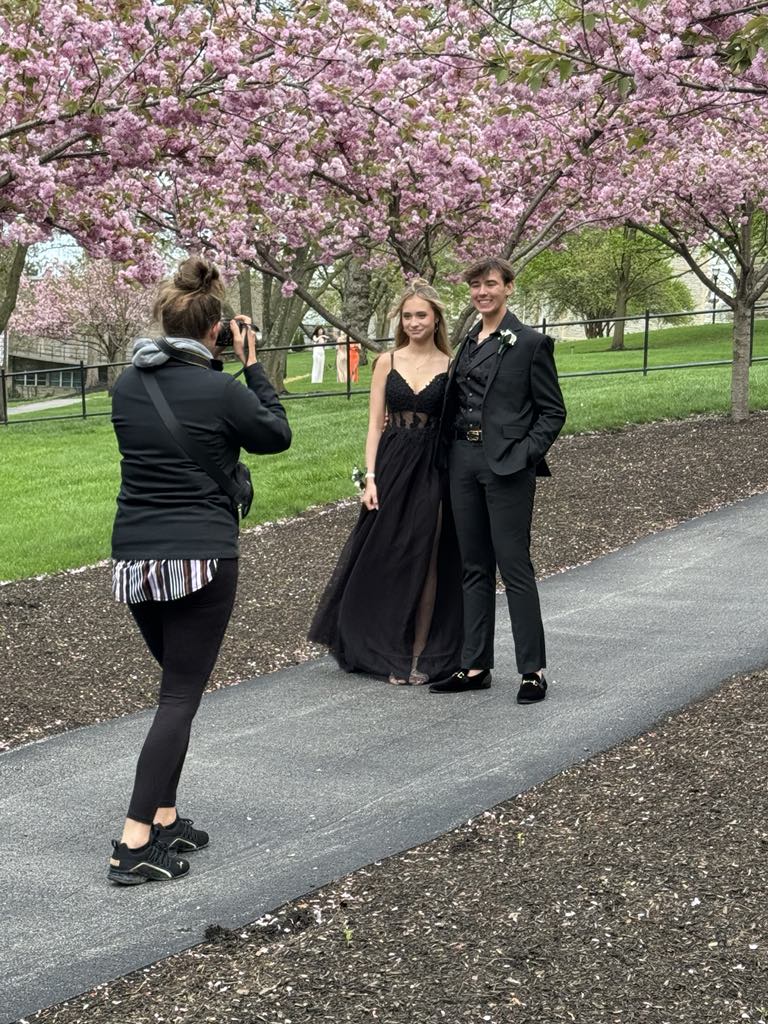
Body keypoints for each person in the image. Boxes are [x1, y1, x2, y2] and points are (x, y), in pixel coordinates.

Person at [107, 256, 292, 885]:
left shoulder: (126, 386)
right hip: (201, 557)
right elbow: (275, 435)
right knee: (180, 696)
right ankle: (132, 846)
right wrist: (253, 365)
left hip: (134, 559)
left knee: (174, 693)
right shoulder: (222, 389)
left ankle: (164, 816)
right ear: (218, 331)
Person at [309, 279, 462, 685]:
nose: (414, 322)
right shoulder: (386, 362)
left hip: (434, 467)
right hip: (392, 465)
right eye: (408, 316)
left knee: (427, 556)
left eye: (421, 315)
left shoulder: (452, 366)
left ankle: (417, 654)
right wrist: (370, 478)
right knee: (388, 552)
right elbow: (375, 426)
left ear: (436, 319)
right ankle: (384, 647)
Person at [429, 257, 566, 703]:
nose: (482, 292)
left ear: (508, 287)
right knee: (473, 566)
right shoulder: (468, 343)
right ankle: (474, 666)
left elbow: (552, 412)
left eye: (490, 284)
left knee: (514, 565)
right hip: (462, 460)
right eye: (475, 286)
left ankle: (533, 671)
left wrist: (525, 454)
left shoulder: (529, 343)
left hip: (507, 465)